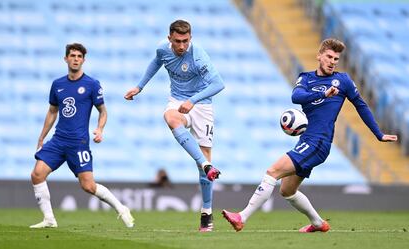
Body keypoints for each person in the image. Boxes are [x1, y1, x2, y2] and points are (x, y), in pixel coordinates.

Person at [222, 38, 398, 233]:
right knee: (287, 190)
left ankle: (242, 217)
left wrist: (378, 134)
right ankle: (318, 223)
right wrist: (323, 95)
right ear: (319, 56)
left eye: (336, 59)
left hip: (319, 142)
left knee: (272, 171)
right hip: (306, 140)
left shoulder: (343, 81)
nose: (332, 61)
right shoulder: (306, 78)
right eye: (329, 57)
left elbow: (361, 105)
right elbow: (296, 97)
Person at [124, 20, 225, 232]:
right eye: (177, 41)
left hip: (202, 104)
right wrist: (139, 87)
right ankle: (206, 165)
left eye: (186, 41)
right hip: (178, 100)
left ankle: (206, 213)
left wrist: (194, 100)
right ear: (169, 38)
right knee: (170, 118)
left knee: (203, 161)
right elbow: (155, 62)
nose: (181, 46)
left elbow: (218, 84)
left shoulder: (198, 56)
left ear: (191, 38)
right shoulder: (163, 49)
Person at [30, 43, 134, 229]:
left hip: (78, 143)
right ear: (66, 59)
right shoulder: (58, 84)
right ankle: (49, 219)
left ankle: (121, 208)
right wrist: (41, 137)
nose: (76, 59)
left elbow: (103, 111)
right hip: (58, 140)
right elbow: (52, 111)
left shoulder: (91, 84)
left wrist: (100, 129)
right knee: (37, 174)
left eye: (79, 56)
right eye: (72, 55)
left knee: (88, 186)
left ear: (83, 60)